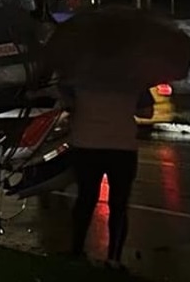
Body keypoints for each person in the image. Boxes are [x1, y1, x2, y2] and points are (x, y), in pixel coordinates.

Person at [61, 82, 154, 268]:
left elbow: (66, 103)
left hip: (87, 144)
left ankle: (76, 251)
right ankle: (114, 258)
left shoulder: (81, 75)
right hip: (122, 147)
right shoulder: (133, 78)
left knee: (85, 199)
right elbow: (147, 112)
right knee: (119, 205)